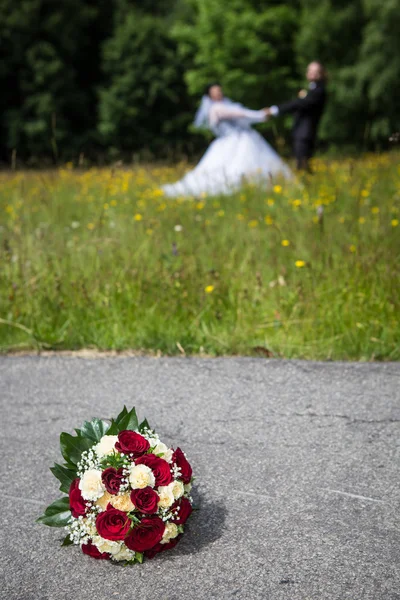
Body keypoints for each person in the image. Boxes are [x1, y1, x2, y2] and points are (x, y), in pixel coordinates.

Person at [162, 83, 292, 198]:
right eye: (215, 91)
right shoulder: (216, 108)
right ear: (209, 95)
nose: (219, 93)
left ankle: (256, 189)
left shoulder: (227, 105)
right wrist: (260, 114)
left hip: (239, 140)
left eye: (220, 90)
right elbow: (241, 114)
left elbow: (242, 116)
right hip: (231, 143)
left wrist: (260, 116)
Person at [265, 62, 327, 172]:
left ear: (321, 74)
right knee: (302, 165)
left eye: (315, 71)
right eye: (310, 70)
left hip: (305, 134)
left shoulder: (319, 91)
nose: (312, 73)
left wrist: (276, 109)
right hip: (302, 133)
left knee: (302, 167)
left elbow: (297, 104)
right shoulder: (313, 89)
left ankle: (305, 187)